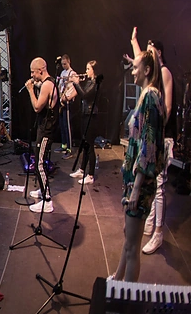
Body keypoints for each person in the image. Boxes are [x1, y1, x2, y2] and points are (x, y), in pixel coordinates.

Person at [112, 46, 165, 282]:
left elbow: (149, 145)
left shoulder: (151, 97)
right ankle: (118, 279)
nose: (132, 72)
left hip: (140, 184)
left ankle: (125, 300)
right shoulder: (146, 95)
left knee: (133, 246)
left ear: (147, 70)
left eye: (135, 67)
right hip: (134, 180)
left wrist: (136, 188)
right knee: (129, 237)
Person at [130, 30, 175, 255]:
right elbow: (141, 62)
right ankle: (150, 223)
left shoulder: (164, 73)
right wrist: (133, 41)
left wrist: (157, 132)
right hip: (156, 138)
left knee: (158, 186)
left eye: (150, 50)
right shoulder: (152, 79)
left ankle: (158, 231)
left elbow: (166, 109)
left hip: (162, 138)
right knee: (154, 185)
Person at [25, 57, 59, 214]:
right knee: (39, 160)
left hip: (46, 129)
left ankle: (47, 201)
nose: (32, 75)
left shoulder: (47, 84)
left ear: (41, 70)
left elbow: (38, 107)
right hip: (43, 127)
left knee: (39, 163)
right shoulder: (47, 82)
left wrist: (31, 90)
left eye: (33, 72)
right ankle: (42, 188)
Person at [69, 60, 100, 185]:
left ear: (93, 70)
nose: (86, 71)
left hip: (91, 116)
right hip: (85, 115)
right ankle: (82, 169)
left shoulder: (96, 82)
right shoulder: (89, 82)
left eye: (88, 69)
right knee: (84, 144)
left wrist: (76, 84)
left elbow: (85, 95)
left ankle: (91, 175)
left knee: (90, 145)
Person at [56, 54, 78, 158]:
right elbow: (60, 86)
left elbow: (74, 87)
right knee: (62, 125)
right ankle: (64, 145)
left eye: (65, 64)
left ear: (69, 62)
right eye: (62, 64)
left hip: (68, 102)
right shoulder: (62, 73)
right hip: (61, 101)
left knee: (67, 125)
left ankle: (70, 149)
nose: (63, 66)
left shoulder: (72, 73)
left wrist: (66, 98)